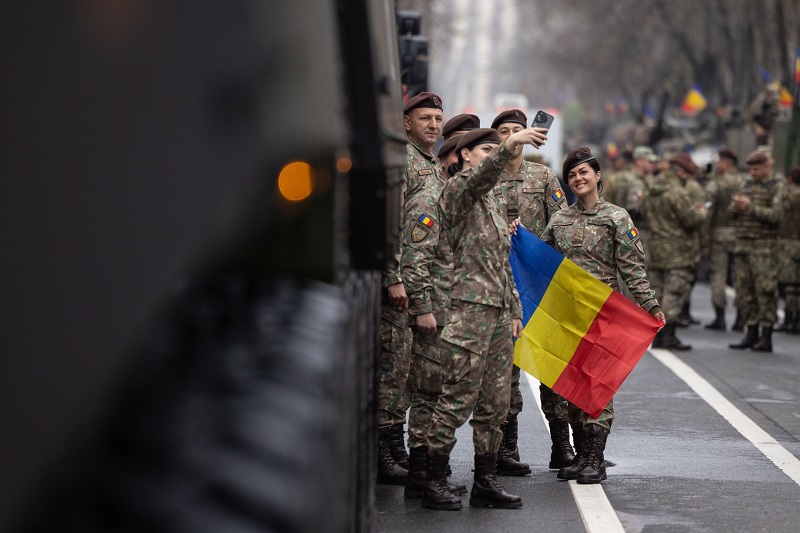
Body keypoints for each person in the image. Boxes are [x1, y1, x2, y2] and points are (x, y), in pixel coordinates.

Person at [422, 126, 547, 511]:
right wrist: (510, 144)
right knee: (456, 399)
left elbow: (500, 263)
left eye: (496, 147)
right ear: (466, 156)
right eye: (486, 149)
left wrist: (512, 309)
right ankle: (433, 479)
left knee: (494, 404)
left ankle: (486, 481)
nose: (494, 153)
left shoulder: (492, 202)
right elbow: (482, 176)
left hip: (495, 315)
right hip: (465, 313)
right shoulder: (457, 192)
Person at [541, 146, 664, 484]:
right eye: (571, 175)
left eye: (584, 172)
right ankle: (582, 458)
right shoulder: (560, 219)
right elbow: (539, 263)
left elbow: (632, 269)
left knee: (598, 386)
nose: (578, 179)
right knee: (573, 386)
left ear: (597, 176)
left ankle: (595, 459)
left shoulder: (617, 218)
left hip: (603, 313)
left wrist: (650, 306)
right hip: (568, 314)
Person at [490, 109, 571, 475]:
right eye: (503, 131)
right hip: (498, 282)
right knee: (505, 370)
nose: (511, 136)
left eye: (515, 130)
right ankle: (507, 448)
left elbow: (563, 220)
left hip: (537, 283)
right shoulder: (484, 177)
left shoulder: (542, 176)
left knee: (551, 365)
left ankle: (561, 444)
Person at [377, 91, 443, 484]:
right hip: (398, 287)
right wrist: (393, 277)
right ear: (406, 122)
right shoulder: (404, 162)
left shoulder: (431, 164)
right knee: (392, 369)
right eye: (425, 118)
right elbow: (387, 223)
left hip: (419, 281)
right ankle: (382, 452)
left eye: (438, 118)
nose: (433, 124)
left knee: (405, 372)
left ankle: (396, 445)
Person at [644, 153, 707, 350]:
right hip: (678, 251)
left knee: (658, 293)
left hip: (656, 248)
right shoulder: (676, 192)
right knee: (674, 293)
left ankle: (657, 335)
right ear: (680, 172)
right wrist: (702, 211)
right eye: (687, 174)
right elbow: (691, 219)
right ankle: (669, 335)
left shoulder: (651, 191)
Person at [729, 150, 784, 352]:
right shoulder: (747, 185)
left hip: (764, 248)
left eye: (757, 169)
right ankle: (750, 332)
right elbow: (732, 216)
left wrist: (750, 208)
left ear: (767, 167)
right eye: (751, 169)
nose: (753, 173)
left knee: (765, 291)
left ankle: (766, 335)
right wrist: (735, 208)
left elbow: (777, 216)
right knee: (745, 291)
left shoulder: (776, 187)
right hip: (743, 246)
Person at [704, 149, 744, 331]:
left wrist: (704, 238)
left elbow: (708, 213)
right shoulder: (744, 183)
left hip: (719, 234)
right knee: (739, 276)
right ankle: (740, 318)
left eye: (720, 162)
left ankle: (720, 317)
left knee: (718, 275)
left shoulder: (716, 184)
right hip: (739, 234)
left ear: (726, 163)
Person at [776, 167, 800, 333]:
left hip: (789, 243)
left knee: (790, 285)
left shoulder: (790, 195)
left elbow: (779, 211)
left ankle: (789, 319)